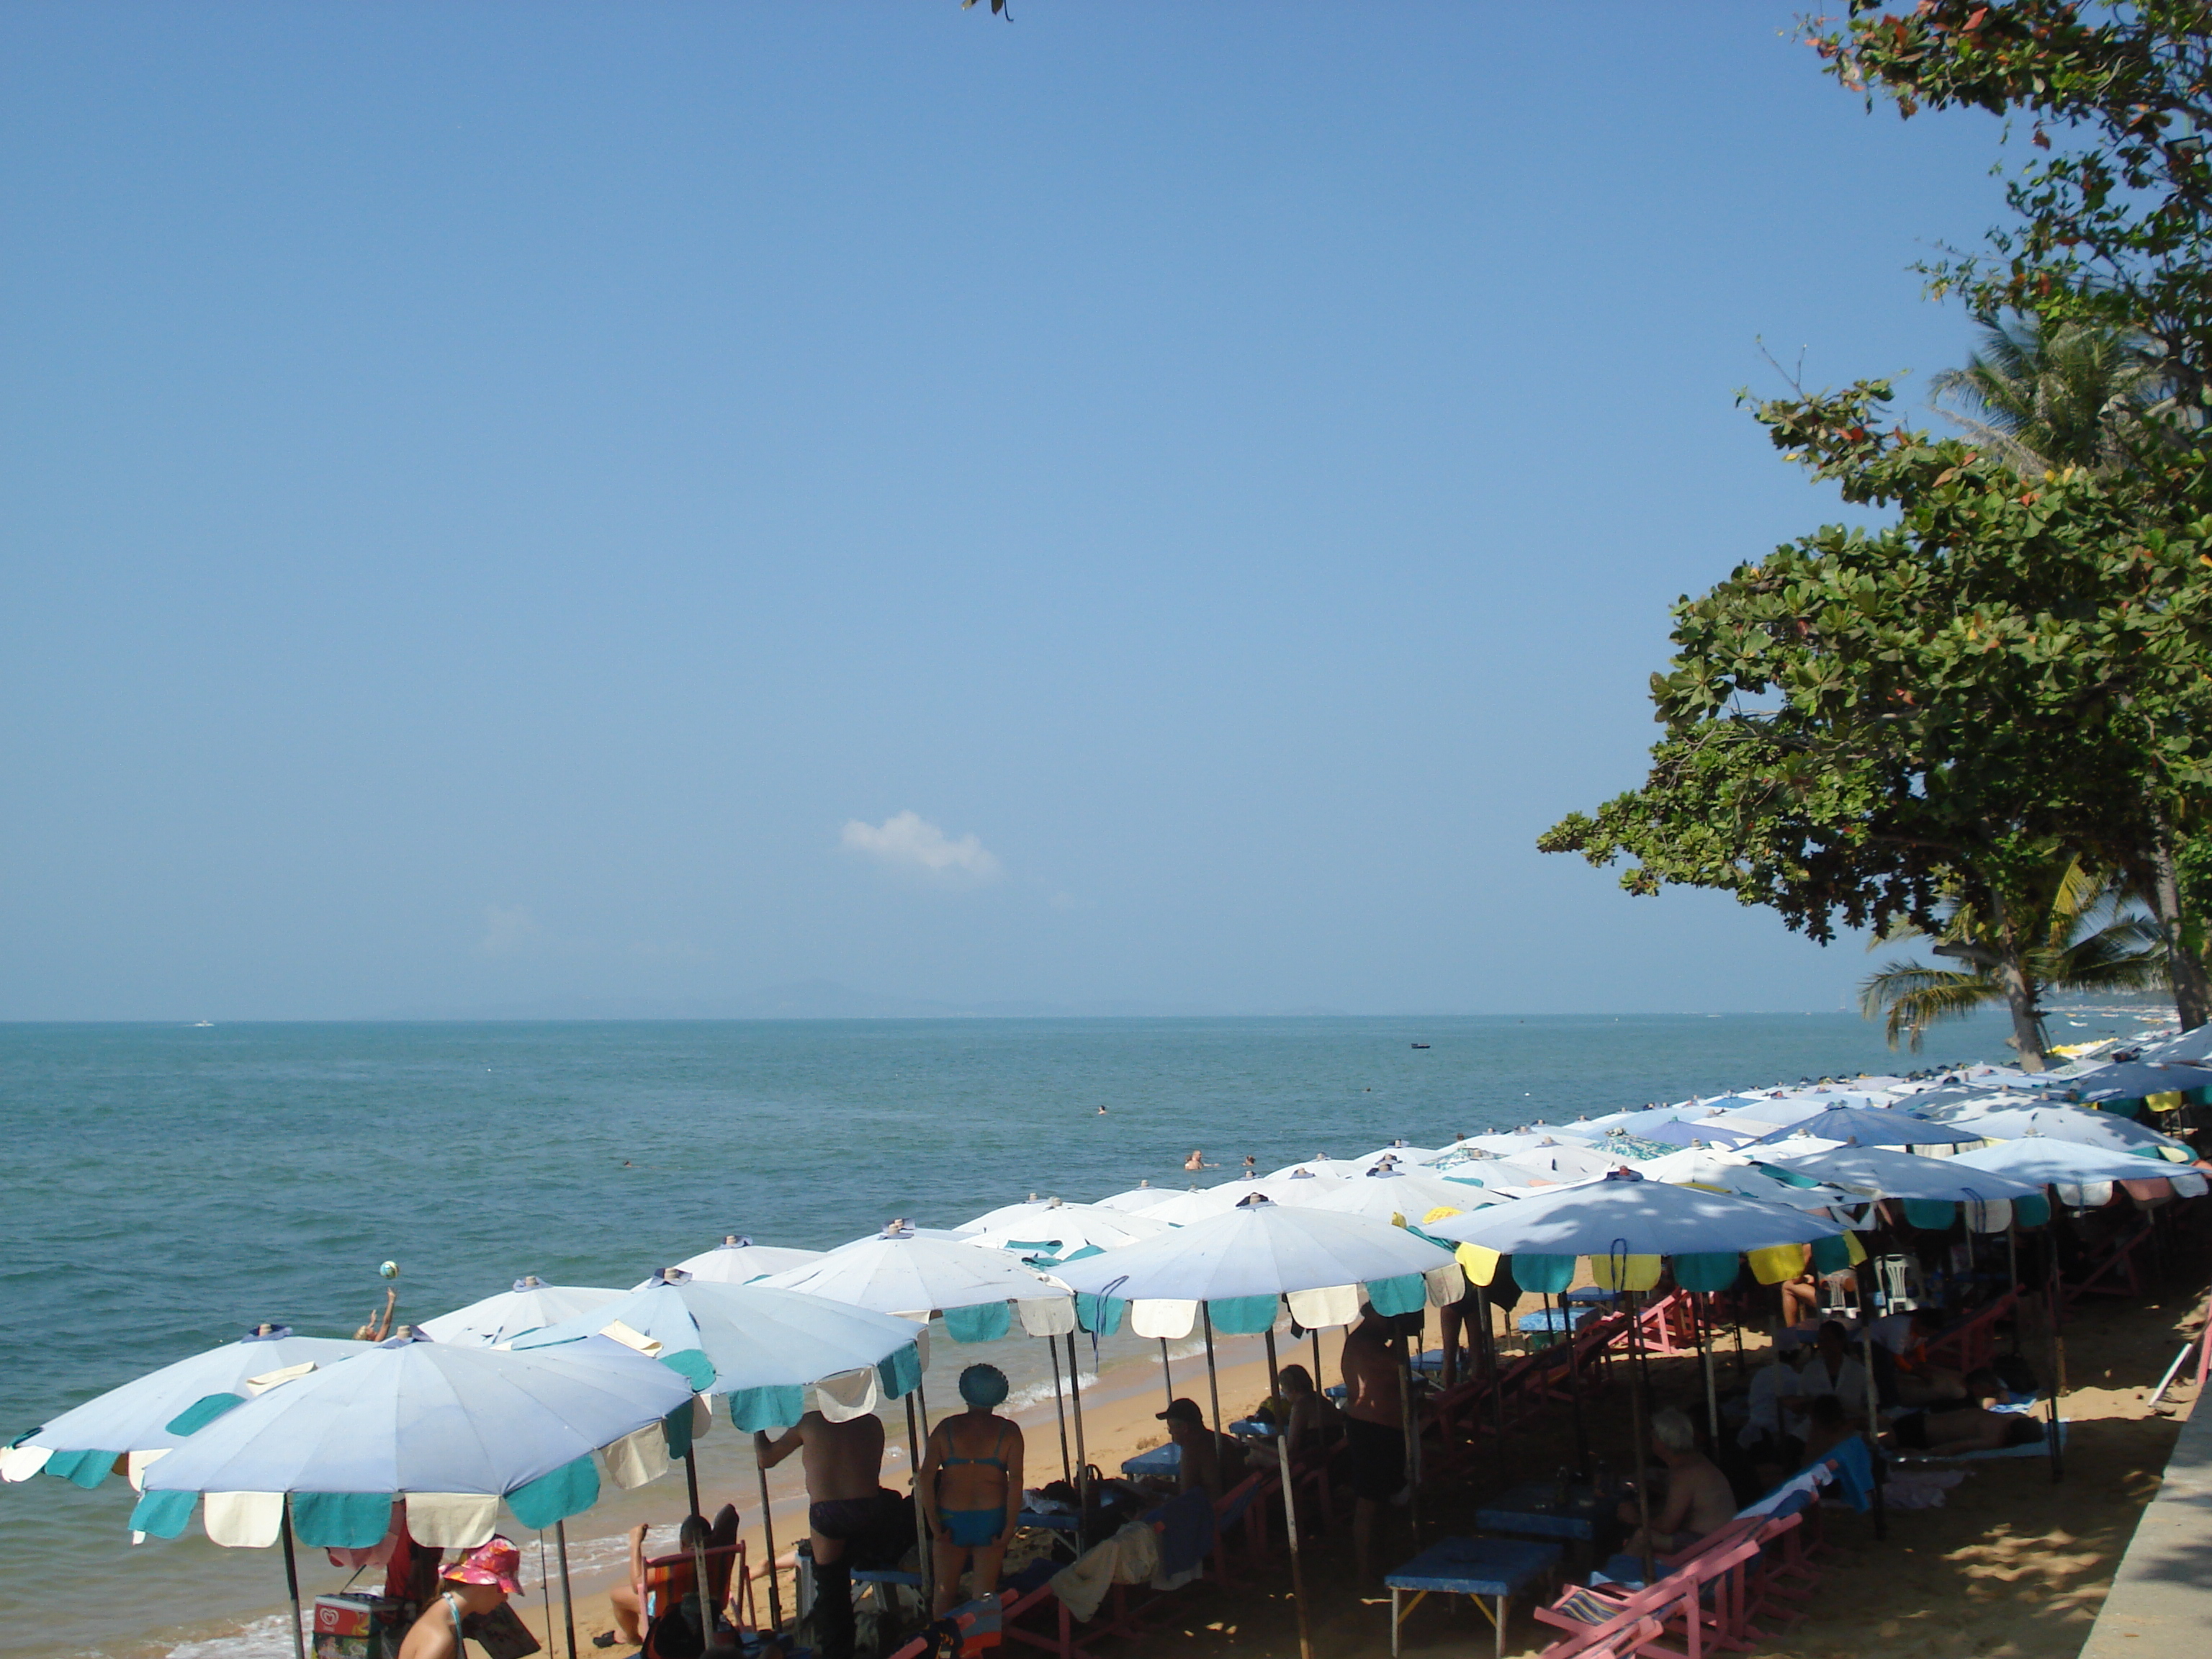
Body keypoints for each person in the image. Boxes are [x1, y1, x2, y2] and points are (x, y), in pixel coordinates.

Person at [757, 1411, 904, 1659]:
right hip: (868, 1511)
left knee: (831, 1585)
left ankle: (838, 1651)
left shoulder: (810, 1422)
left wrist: (757, 1428)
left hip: (828, 1514)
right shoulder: (872, 1422)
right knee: (892, 1505)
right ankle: (866, 1562)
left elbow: (766, 1459)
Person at [919, 1364, 1026, 1617]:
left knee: (944, 1596)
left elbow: (925, 1479)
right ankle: (982, 1648)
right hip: (992, 1517)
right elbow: (1016, 1483)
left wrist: (934, 1526)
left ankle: (944, 1652)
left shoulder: (946, 1428)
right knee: (984, 1597)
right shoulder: (1009, 1432)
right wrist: (1009, 1529)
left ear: (964, 1393)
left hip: (951, 1518)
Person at [1339, 1310, 1407, 1584]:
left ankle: (1379, 1557)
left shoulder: (1372, 1341)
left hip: (1384, 1428)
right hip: (1370, 1430)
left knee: (1383, 1498)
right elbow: (1398, 1364)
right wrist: (1402, 1334)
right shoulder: (1364, 1343)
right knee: (1369, 1500)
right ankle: (1365, 1569)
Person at [1615, 1410, 1735, 1557]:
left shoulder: (1685, 1472)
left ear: (1663, 1441)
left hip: (1710, 1546)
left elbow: (1667, 1526)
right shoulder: (1695, 1461)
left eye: (1653, 1437)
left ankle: (1613, 1577)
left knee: (1643, 1537)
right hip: (1719, 1540)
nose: (1650, 1441)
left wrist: (1634, 1518)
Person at [396, 1537, 522, 1659]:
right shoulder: (441, 1636)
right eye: (503, 1589)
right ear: (485, 1585)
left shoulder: (438, 1614)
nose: (505, 1598)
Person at [1885, 1369, 2046, 1455]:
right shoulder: (1994, 1439)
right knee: (1873, 1442)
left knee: (1876, 1429)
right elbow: (1956, 1447)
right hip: (1920, 1435)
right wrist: (1923, 1454)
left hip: (1922, 1420)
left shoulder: (2013, 1416)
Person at [1151, 1398, 1246, 1502]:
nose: (1170, 1433)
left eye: (1171, 1428)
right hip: (1235, 1503)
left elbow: (1186, 1496)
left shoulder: (1192, 1450)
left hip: (1216, 1511)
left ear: (1184, 1428)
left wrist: (1161, 1487)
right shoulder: (1217, 1438)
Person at [1792, 1321, 1870, 1422]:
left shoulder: (1858, 1371)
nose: (1824, 1345)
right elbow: (1801, 1401)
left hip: (1851, 1428)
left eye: (1828, 1340)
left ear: (1841, 1341)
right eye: (1821, 1340)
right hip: (1817, 1428)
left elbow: (1870, 1404)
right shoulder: (1810, 1369)